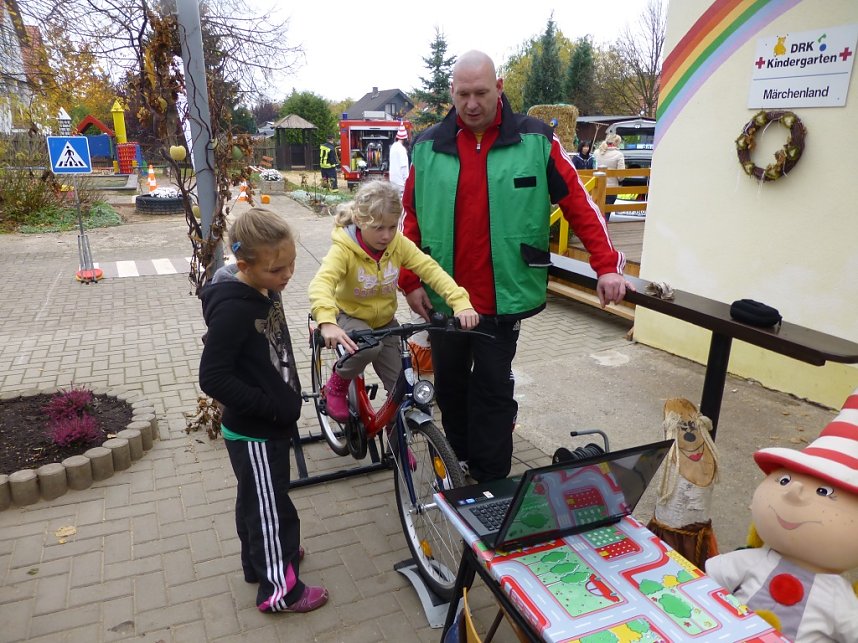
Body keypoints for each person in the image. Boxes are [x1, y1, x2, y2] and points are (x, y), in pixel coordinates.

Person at [398, 50, 631, 483]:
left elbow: (578, 203)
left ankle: (491, 481)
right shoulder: (427, 146)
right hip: (443, 297)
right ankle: (459, 460)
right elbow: (411, 217)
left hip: (502, 297)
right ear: (452, 92)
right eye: (463, 94)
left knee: (492, 391)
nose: (471, 104)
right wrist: (409, 279)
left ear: (499, 87)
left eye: (481, 93)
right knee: (449, 388)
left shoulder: (536, 139)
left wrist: (607, 265)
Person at [198, 208, 328, 614]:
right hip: (257, 429)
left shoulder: (261, 289)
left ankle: (263, 563)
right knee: (272, 509)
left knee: (256, 501)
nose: (287, 275)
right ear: (244, 265)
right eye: (277, 269)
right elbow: (213, 377)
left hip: (267, 423)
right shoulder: (235, 309)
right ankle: (279, 590)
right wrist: (268, 407)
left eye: (291, 264)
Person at [308, 180, 479, 422]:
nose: (386, 235)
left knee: (403, 386)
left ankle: (399, 439)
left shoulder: (397, 244)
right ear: (359, 220)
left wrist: (461, 302)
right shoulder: (344, 249)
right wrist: (327, 321)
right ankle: (335, 385)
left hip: (385, 321)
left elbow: (430, 269)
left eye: (391, 227)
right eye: (378, 228)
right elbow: (321, 283)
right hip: (350, 316)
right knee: (369, 347)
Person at [705, 387, 858, 641]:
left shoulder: (836, 597)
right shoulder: (752, 561)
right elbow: (704, 581)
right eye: (784, 480)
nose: (794, 491)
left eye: (823, 491)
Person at [595, 133, 625, 222]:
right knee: (606, 214)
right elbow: (621, 176)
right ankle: (603, 233)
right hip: (611, 189)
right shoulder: (619, 155)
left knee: (597, 213)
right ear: (616, 143)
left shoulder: (597, 152)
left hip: (596, 187)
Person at [388, 124, 410, 196]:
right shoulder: (402, 149)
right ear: (405, 138)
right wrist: (407, 182)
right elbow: (404, 167)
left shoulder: (393, 147)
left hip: (393, 181)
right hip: (401, 184)